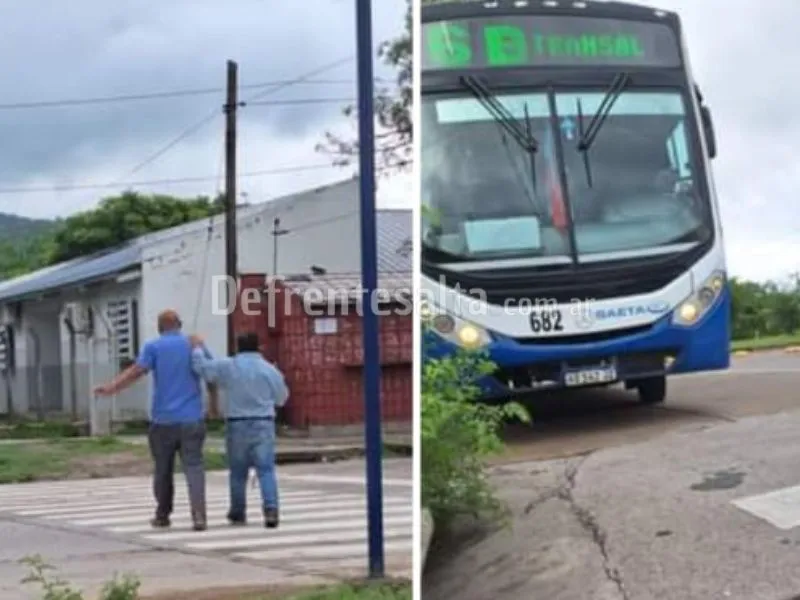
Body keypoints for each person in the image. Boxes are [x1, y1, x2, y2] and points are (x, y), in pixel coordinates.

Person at [94, 309, 217, 531]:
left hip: (163, 420)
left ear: (160, 327)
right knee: (194, 467)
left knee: (163, 469)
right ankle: (199, 516)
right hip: (192, 419)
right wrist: (214, 406)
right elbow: (210, 374)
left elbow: (136, 371)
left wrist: (112, 388)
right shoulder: (193, 344)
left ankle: (163, 514)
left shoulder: (154, 347)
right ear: (179, 324)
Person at [190, 331, 289, 528]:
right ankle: (271, 510)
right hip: (263, 422)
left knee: (238, 472)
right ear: (258, 347)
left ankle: (238, 511)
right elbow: (282, 398)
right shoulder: (269, 370)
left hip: (237, 423)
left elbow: (204, 369)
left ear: (237, 347)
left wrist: (198, 348)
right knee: (266, 469)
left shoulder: (230, 366)